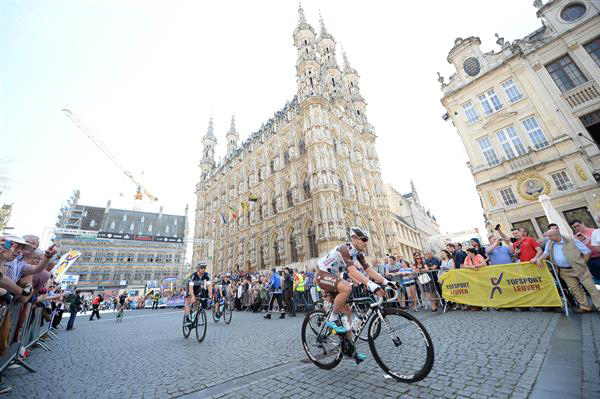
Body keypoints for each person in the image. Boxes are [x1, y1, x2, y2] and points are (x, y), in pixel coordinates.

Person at [315, 227, 397, 363]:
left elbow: (369, 270)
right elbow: (352, 271)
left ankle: (350, 350)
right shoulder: (344, 248)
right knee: (346, 288)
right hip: (322, 274)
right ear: (354, 239)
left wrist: (387, 282)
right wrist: (371, 285)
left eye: (367, 240)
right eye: (364, 239)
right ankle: (332, 318)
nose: (366, 242)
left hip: (334, 276)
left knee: (347, 312)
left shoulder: (358, 253)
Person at [537, 229, 600, 313]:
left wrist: (582, 264)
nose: (548, 238)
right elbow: (546, 253)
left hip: (579, 268)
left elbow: (587, 252)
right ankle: (585, 307)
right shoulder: (550, 243)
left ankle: (599, 306)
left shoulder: (572, 241)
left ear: (556, 235)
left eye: (550, 236)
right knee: (575, 289)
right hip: (564, 271)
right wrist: (539, 259)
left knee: (591, 287)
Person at [572, 218, 600, 284]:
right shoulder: (576, 237)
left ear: (582, 223)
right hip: (590, 259)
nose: (577, 228)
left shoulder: (594, 231)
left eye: (578, 225)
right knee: (597, 278)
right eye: (574, 227)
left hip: (599, 256)